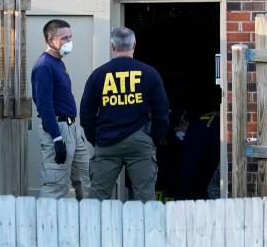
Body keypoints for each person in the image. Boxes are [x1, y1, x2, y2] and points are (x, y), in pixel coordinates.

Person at [80, 27, 169, 202]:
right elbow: (162, 113)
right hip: (140, 141)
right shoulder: (149, 73)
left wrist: (95, 139)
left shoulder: (98, 75)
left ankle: (94, 230)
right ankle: (145, 230)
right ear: (134, 44)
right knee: (145, 198)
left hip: (106, 141)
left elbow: (86, 114)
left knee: (97, 198)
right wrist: (153, 140)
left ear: (112, 46)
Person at [30, 19, 91, 198]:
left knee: (83, 180)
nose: (69, 42)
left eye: (70, 37)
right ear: (50, 39)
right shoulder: (43, 66)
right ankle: (46, 225)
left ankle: (87, 224)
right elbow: (44, 105)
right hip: (58, 129)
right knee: (55, 184)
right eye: (64, 38)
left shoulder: (59, 63)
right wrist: (57, 137)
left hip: (73, 128)